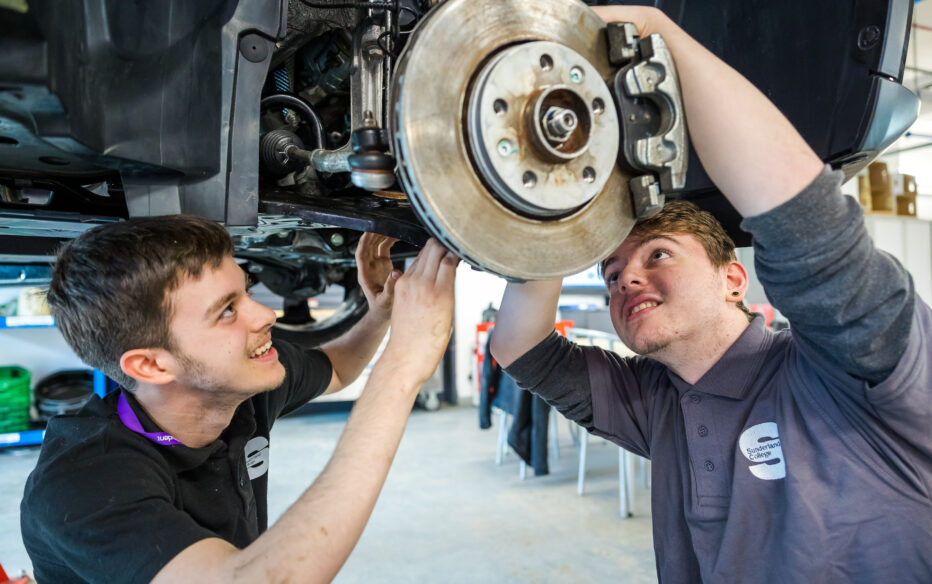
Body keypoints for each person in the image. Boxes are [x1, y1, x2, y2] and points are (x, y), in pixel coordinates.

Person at [491, 6, 931, 583]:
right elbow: (519, 347)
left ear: (733, 280)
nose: (624, 278)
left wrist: (663, 32)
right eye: (611, 270)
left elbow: (808, 230)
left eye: (659, 255)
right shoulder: (655, 401)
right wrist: (561, 194)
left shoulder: (841, 372)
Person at [20, 215, 459, 584]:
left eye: (245, 291)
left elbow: (338, 367)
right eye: (227, 310)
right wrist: (402, 367)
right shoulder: (82, 485)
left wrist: (382, 311)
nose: (265, 315)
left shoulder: (240, 384)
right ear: (152, 366)